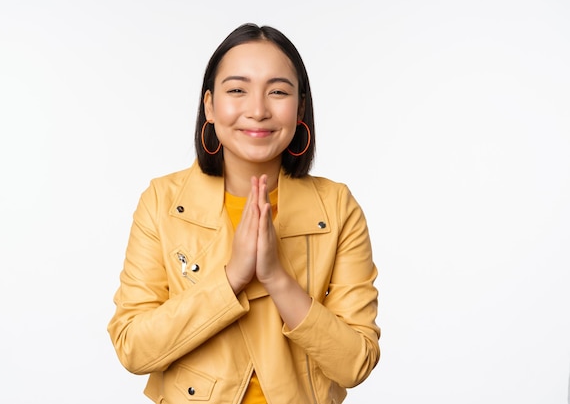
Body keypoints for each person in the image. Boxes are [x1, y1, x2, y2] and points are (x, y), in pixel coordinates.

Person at [108, 23, 380, 404]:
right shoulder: (162, 201)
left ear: (300, 106)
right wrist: (232, 276)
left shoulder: (336, 207)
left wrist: (276, 279)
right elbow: (133, 348)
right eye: (237, 90)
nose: (257, 110)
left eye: (278, 92)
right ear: (209, 106)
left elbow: (356, 363)